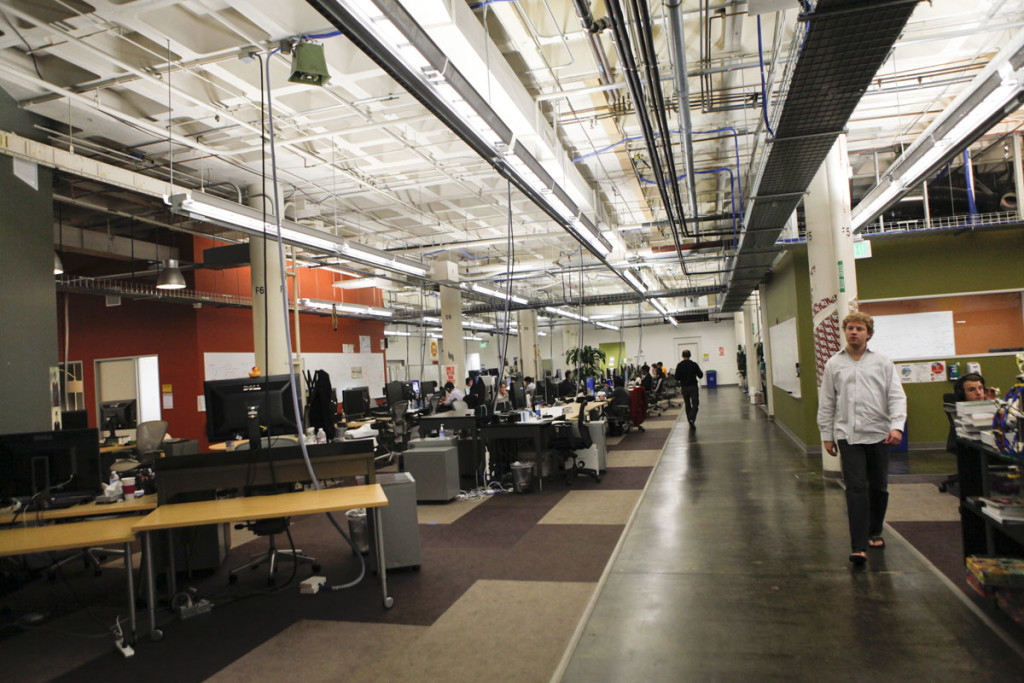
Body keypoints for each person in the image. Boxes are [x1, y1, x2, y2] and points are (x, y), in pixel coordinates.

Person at [817, 311, 907, 566]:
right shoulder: (834, 364)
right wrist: (827, 435)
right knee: (856, 489)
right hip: (848, 436)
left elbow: (897, 397)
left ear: (868, 333)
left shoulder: (883, 362)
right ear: (844, 332)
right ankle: (858, 546)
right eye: (850, 328)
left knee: (878, 487)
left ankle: (874, 529)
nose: (854, 332)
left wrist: (897, 427)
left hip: (879, 434)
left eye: (859, 328)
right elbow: (827, 403)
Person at [674, 350, 704, 428]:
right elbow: (700, 375)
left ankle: (689, 420)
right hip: (693, 386)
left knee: (687, 404)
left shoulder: (679, 365)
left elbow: (676, 377)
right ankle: (692, 418)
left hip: (684, 387)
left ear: (682, 356)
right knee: (695, 404)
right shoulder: (694, 364)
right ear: (690, 355)